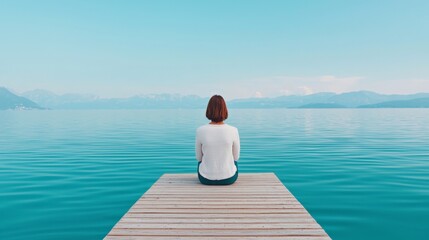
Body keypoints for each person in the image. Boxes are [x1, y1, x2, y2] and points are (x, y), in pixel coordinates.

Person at [195, 95, 240, 185]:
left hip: (205, 179)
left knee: (201, 162)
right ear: (225, 110)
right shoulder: (233, 130)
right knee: (233, 162)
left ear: (208, 110)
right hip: (229, 179)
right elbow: (236, 157)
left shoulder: (200, 130)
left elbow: (198, 158)